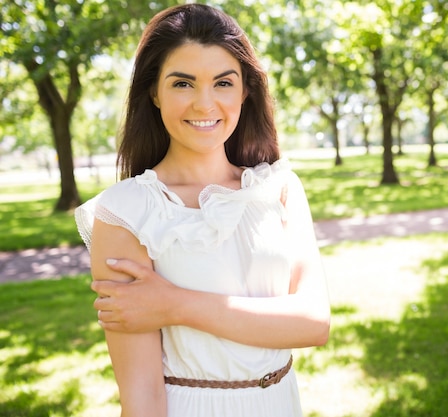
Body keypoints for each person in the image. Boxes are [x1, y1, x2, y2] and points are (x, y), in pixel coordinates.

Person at [74, 4, 330, 417]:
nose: (204, 104)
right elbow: (141, 399)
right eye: (183, 84)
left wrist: (175, 304)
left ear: (245, 91)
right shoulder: (124, 212)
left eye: (223, 83)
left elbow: (314, 322)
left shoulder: (279, 187)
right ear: (154, 92)